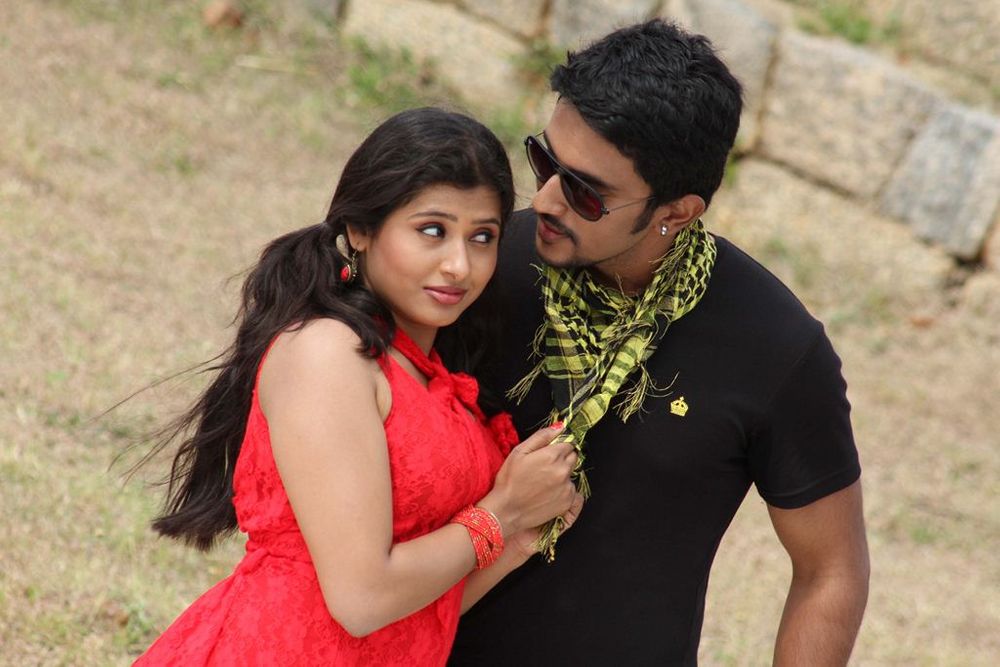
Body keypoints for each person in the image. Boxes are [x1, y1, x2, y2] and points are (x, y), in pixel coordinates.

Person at [449, 19, 870, 666]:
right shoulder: (472, 271)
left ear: (676, 213)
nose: (548, 199)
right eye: (544, 161)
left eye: (587, 192)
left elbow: (830, 570)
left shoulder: (776, 347)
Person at [134, 107, 583, 666]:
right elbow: (362, 599)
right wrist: (503, 513)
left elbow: (421, 609)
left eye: (482, 237)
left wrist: (517, 541)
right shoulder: (326, 354)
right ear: (361, 230)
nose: (459, 265)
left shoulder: (434, 376)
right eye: (432, 231)